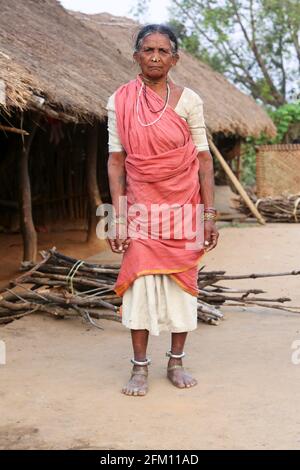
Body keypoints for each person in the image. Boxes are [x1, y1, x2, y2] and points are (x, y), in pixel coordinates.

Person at [106, 24, 219, 397]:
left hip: (184, 207)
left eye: (163, 51)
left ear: (175, 58)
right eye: (148, 50)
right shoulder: (119, 100)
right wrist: (118, 217)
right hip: (140, 208)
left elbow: (203, 159)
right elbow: (116, 162)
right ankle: (139, 368)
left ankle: (176, 361)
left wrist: (209, 215)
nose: (155, 57)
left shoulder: (190, 100)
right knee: (138, 285)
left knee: (183, 288)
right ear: (136, 54)